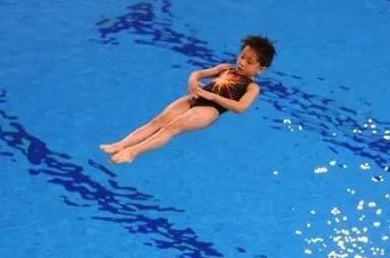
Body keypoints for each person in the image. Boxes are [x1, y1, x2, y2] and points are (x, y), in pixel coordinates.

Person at [100, 35, 276, 164]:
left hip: (210, 110)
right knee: (157, 121)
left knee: (171, 127)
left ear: (260, 69)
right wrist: (192, 81)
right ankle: (121, 144)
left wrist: (213, 96)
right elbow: (198, 74)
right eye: (242, 56)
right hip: (195, 98)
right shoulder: (225, 68)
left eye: (249, 61)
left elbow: (241, 107)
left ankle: (132, 153)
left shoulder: (252, 87)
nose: (242, 62)